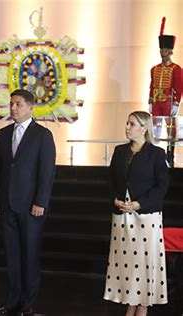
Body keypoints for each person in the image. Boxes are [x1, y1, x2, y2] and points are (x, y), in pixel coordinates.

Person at [0, 89, 56, 316]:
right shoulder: (3, 134)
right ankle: (12, 301)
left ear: (30, 107)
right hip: (6, 205)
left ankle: (28, 303)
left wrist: (40, 201)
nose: (13, 108)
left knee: (29, 255)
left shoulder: (42, 135)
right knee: (12, 255)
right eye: (11, 104)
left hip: (31, 208)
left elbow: (47, 173)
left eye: (18, 104)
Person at [103, 111, 169, 316]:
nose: (127, 127)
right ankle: (131, 302)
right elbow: (111, 181)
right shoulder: (120, 151)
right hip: (122, 216)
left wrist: (139, 204)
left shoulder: (156, 153)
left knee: (143, 263)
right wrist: (115, 198)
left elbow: (162, 186)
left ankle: (142, 305)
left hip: (146, 217)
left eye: (132, 124)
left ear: (144, 127)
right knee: (127, 264)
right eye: (127, 123)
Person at [148, 17, 181, 166]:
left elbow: (179, 86)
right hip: (156, 102)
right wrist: (150, 101)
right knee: (155, 129)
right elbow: (152, 85)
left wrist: (176, 103)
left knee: (171, 129)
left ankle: (170, 152)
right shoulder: (154, 68)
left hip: (168, 101)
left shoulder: (176, 69)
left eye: (165, 49)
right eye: (161, 49)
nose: (163, 51)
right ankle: (154, 153)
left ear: (170, 51)